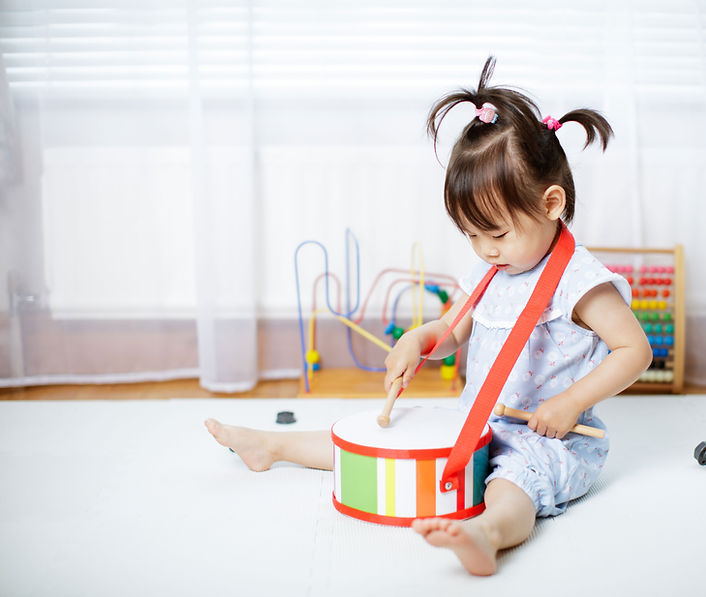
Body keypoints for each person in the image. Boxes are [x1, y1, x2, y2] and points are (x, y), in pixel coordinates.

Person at [205, 57, 652, 576]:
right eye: (472, 235)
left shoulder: (579, 281)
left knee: (513, 483)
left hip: (548, 439)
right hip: (475, 422)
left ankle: (488, 534)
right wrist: (418, 341)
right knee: (386, 438)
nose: (485, 249)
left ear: (552, 204)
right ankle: (272, 445)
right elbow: (451, 331)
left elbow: (635, 351)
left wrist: (571, 403)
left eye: (497, 233)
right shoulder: (492, 270)